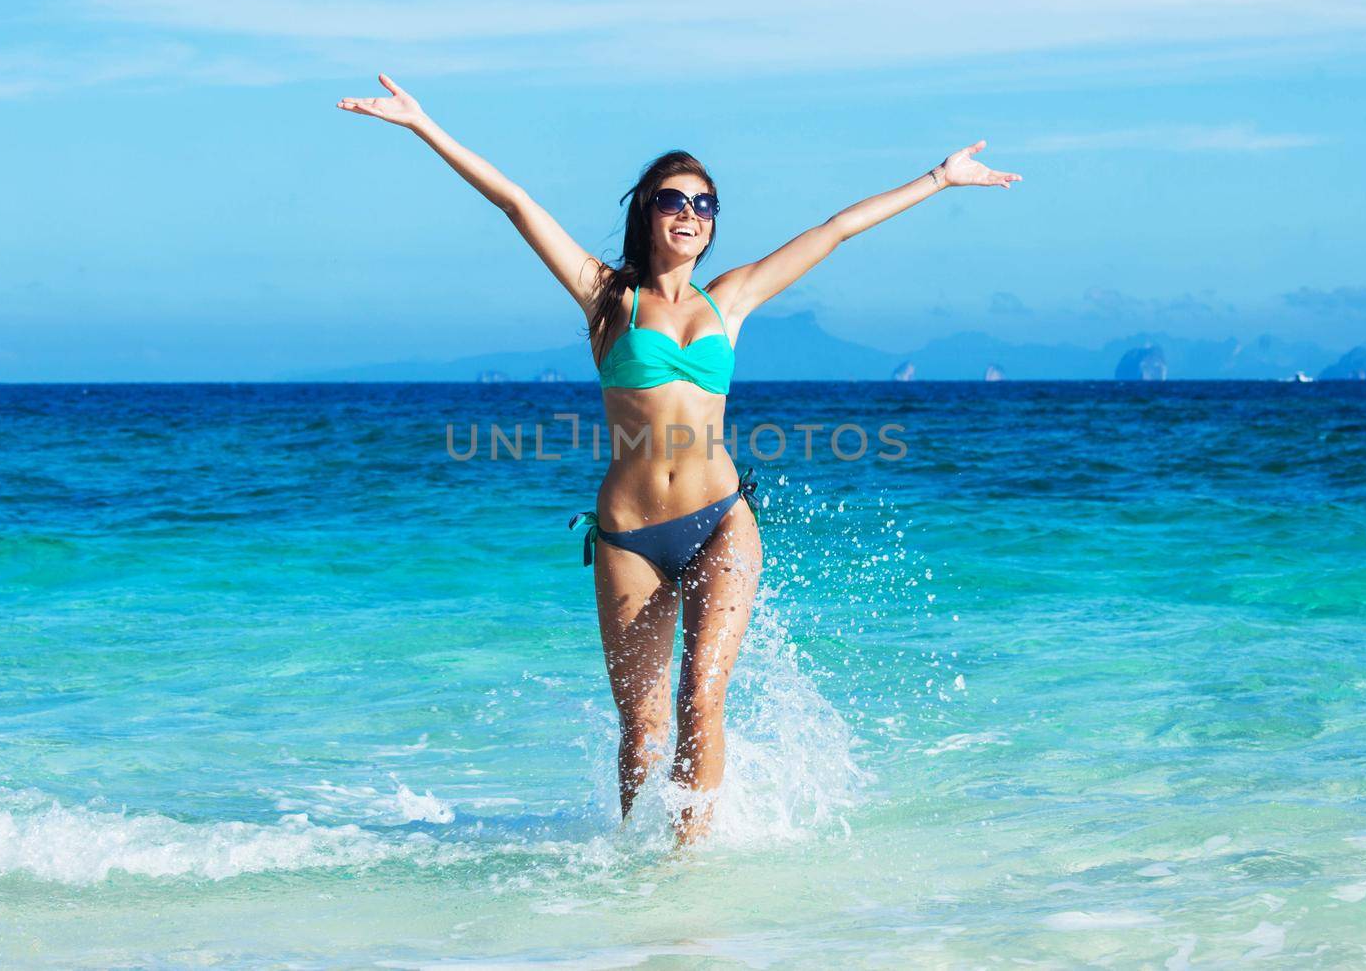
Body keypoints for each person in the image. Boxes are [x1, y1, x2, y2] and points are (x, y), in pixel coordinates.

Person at [337, 74, 1021, 843]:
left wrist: (940, 178)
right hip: (630, 536)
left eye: (705, 204)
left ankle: (685, 874)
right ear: (646, 211)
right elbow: (517, 203)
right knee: (643, 726)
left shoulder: (730, 299)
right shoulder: (607, 299)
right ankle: (635, 869)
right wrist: (425, 125)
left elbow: (834, 230)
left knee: (702, 698)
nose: (691, 214)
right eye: (674, 199)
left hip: (720, 519)